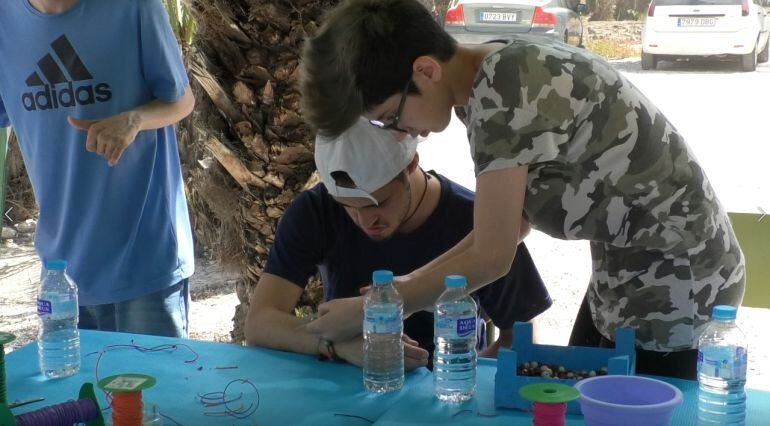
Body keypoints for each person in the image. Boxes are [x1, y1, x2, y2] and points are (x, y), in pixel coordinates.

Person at [297, 0, 745, 379]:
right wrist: (407, 285)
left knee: (620, 409)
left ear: (426, 70)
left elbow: (493, 256)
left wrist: (381, 307)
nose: (397, 134)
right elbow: (510, 226)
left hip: (678, 278)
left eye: (389, 117)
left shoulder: (503, 90)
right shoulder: (490, 75)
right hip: (627, 269)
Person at [244, 119, 551, 369]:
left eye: (378, 202)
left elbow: (524, 336)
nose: (366, 221)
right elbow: (259, 323)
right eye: (348, 206)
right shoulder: (315, 210)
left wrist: (454, 378)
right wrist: (336, 345)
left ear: (411, 165)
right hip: (353, 384)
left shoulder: (478, 222)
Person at [0, 0, 195, 337]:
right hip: (61, 273)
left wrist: (134, 120)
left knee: (153, 390)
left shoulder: (134, 7)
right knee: (75, 391)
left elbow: (182, 99)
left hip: (145, 260)